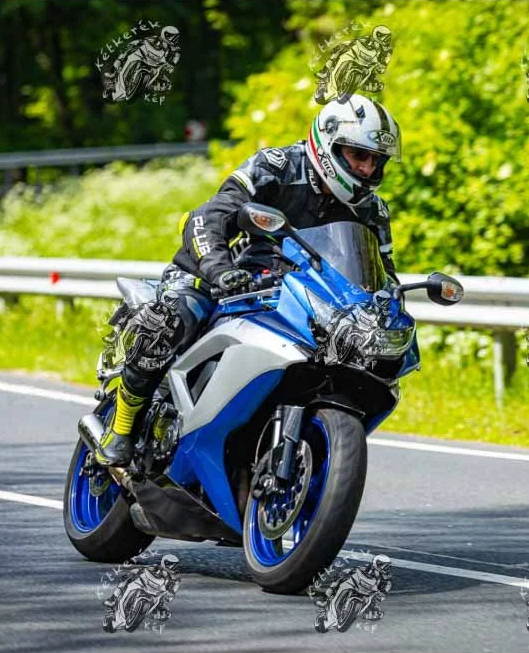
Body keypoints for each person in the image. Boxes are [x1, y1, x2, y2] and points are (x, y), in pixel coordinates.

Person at [94, 94, 403, 467]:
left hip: (303, 297)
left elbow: (382, 273)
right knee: (173, 317)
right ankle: (122, 426)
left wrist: (386, 310)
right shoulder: (276, 167)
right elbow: (208, 216)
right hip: (226, 275)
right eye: (358, 155)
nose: (367, 168)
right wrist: (219, 269)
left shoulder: (373, 210)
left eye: (376, 160)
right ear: (329, 143)